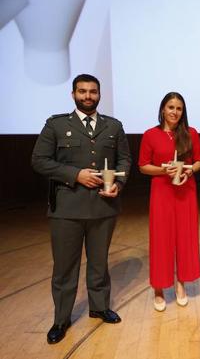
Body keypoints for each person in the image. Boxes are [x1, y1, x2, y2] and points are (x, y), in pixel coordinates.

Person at [31, 74, 131, 344]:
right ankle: (61, 319)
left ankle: (99, 307)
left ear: (99, 94)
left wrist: (118, 185)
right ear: (73, 93)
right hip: (67, 209)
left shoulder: (113, 125)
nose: (88, 96)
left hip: (104, 205)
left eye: (93, 92)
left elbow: (124, 158)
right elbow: (39, 161)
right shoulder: (56, 124)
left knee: (99, 264)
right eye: (83, 91)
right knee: (65, 268)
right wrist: (75, 175)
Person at [138, 92, 200, 311]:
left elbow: (199, 162)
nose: (175, 112)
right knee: (161, 239)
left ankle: (181, 284)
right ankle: (159, 288)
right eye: (171, 107)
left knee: (184, 238)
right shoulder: (150, 135)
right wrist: (165, 170)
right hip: (162, 192)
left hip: (186, 191)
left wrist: (189, 171)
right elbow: (143, 166)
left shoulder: (191, 134)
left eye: (179, 108)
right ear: (162, 109)